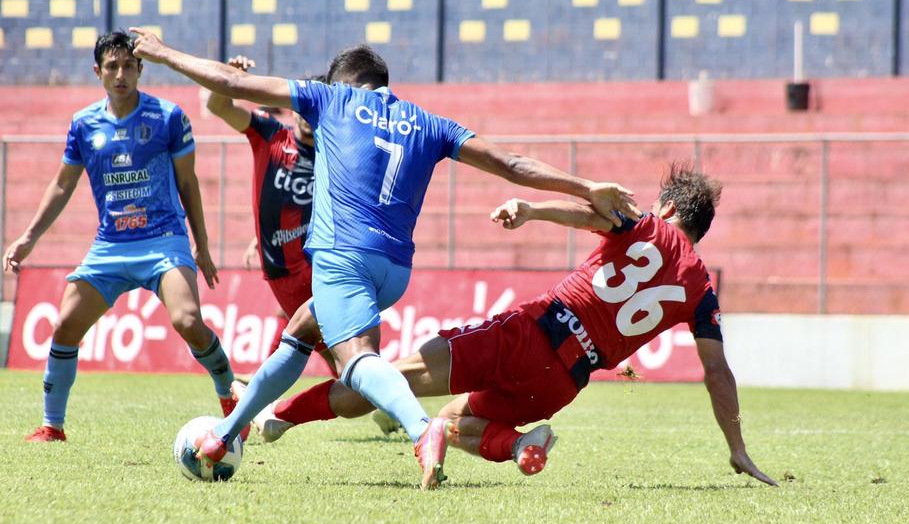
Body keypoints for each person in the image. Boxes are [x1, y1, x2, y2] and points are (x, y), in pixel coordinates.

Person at [130, 30, 640, 489]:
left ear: (347, 81)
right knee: (301, 332)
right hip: (393, 269)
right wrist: (586, 186)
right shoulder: (430, 122)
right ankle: (224, 433)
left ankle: (423, 430)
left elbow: (227, 81)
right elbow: (511, 163)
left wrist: (162, 52)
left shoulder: (331, 97)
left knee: (355, 361)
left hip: (342, 256)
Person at [237, 164, 778, 487]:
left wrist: (531, 209)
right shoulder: (702, 290)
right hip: (566, 381)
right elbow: (717, 373)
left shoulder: (647, 224)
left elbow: (592, 215)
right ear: (701, 232)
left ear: (669, 204)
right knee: (451, 422)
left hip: (533, 331)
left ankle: (278, 418)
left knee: (385, 375)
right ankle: (520, 447)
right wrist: (736, 445)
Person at [3, 31, 238, 442]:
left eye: (128, 65)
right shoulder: (83, 124)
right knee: (64, 326)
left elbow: (189, 182)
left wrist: (200, 245)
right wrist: (27, 238)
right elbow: (61, 185)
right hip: (110, 246)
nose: (121, 74)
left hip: (164, 239)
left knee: (188, 321)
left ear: (140, 69)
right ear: (98, 72)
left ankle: (229, 396)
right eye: (112, 66)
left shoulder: (168, 117)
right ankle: (52, 427)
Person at [204, 56, 334, 372]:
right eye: (302, 104)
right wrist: (229, 77)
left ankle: (261, 390)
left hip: (316, 265)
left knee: (323, 340)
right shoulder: (271, 134)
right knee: (331, 350)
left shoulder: (333, 155)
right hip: (278, 268)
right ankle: (377, 396)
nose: (306, 113)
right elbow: (218, 107)